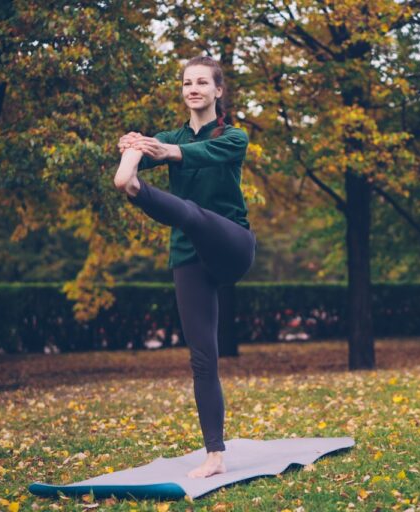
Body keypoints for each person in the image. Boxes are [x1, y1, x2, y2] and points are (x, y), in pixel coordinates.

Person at [113, 55, 256, 479]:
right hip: (189, 257)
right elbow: (151, 149)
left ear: (218, 90)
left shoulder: (234, 137)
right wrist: (132, 149)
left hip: (231, 244)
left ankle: (133, 190)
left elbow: (194, 153)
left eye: (201, 82)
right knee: (202, 358)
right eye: (187, 83)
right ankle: (214, 454)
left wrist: (158, 150)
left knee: (191, 213)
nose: (193, 88)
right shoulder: (168, 135)